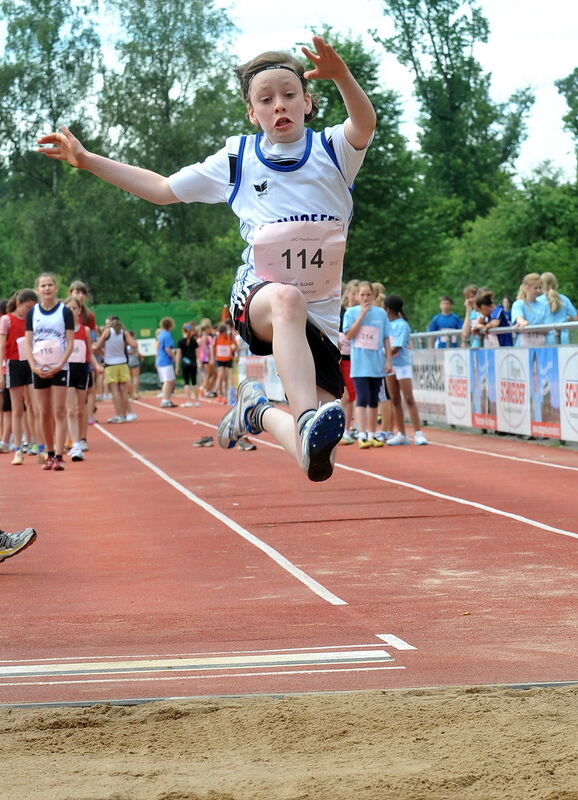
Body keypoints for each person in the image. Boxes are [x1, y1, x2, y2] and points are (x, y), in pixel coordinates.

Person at [38, 37, 376, 482]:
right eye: (266, 99)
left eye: (290, 95)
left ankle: (257, 413)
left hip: (324, 310)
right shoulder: (239, 159)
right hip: (260, 297)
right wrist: (87, 160)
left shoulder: (333, 150)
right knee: (287, 301)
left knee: (318, 461)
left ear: (309, 102)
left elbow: (365, 122)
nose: (280, 105)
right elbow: (161, 190)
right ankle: (304, 415)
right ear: (251, 113)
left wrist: (343, 76)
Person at [24, 273, 75, 471]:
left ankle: (60, 456)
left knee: (59, 411)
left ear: (55, 288)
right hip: (39, 368)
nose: (46, 289)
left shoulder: (65, 311)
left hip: (60, 367)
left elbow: (70, 343)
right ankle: (50, 453)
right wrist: (33, 366)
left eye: (49, 285)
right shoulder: (32, 313)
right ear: (38, 289)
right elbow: (28, 343)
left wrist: (60, 364)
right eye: (43, 286)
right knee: (43, 413)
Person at [343, 281, 392, 448]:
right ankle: (362, 434)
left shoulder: (381, 314)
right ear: (357, 296)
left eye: (368, 295)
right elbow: (349, 335)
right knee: (361, 398)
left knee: (373, 400)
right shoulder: (351, 313)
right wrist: (362, 315)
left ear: (374, 295)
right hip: (359, 364)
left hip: (377, 363)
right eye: (362, 295)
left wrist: (389, 360)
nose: (365, 298)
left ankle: (371, 433)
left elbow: (386, 338)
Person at [384, 294, 428, 445]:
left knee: (408, 398)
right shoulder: (386, 324)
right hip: (389, 366)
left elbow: (396, 347)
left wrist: (381, 353)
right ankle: (401, 433)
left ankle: (418, 432)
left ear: (388, 309)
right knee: (395, 399)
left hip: (401, 365)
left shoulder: (402, 325)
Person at [0, 289, 38, 464]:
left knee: (33, 405)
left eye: (33, 308)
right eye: (28, 307)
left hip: (30, 363)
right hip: (13, 364)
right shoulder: (6, 320)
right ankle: (17, 449)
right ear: (18, 304)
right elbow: (1, 347)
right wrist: (1, 371)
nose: (30, 310)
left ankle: (35, 443)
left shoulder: (33, 320)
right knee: (17, 408)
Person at [65, 296, 103, 460]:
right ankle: (74, 442)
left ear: (79, 311)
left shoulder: (85, 330)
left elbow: (89, 352)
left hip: (82, 370)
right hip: (66, 370)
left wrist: (96, 366)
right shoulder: (61, 330)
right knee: (71, 409)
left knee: (81, 409)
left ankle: (82, 438)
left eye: (74, 308)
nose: (71, 311)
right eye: (68, 309)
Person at [94, 316, 137, 422]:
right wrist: (124, 343)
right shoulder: (124, 332)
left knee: (115, 391)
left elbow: (97, 346)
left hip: (110, 363)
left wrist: (103, 354)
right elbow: (134, 344)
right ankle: (125, 414)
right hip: (123, 363)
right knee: (123, 390)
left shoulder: (107, 332)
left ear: (110, 323)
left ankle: (119, 415)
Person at [537, 271, 578, 345]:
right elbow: (576, 318)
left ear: (541, 285)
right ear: (555, 283)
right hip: (563, 339)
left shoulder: (538, 301)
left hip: (545, 340)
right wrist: (567, 318)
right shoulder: (564, 299)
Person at [511, 273, 548, 347]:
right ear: (526, 288)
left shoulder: (544, 305)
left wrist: (529, 327)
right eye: (535, 288)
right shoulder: (518, 304)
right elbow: (519, 319)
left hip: (541, 345)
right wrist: (523, 322)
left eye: (540, 288)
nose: (538, 291)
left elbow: (546, 329)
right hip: (523, 346)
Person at [156, 317, 177, 407]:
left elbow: (158, 347)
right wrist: (174, 357)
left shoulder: (161, 334)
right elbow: (168, 348)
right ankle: (165, 400)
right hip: (165, 360)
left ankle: (167, 399)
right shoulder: (167, 335)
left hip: (161, 359)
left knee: (171, 380)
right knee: (168, 381)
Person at [213, 322, 237, 403]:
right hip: (219, 359)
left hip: (228, 359)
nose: (221, 334)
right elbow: (213, 347)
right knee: (220, 376)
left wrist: (233, 348)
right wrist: (213, 358)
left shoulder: (230, 337)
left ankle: (225, 396)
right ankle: (219, 394)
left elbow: (236, 346)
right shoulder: (217, 337)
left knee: (226, 378)